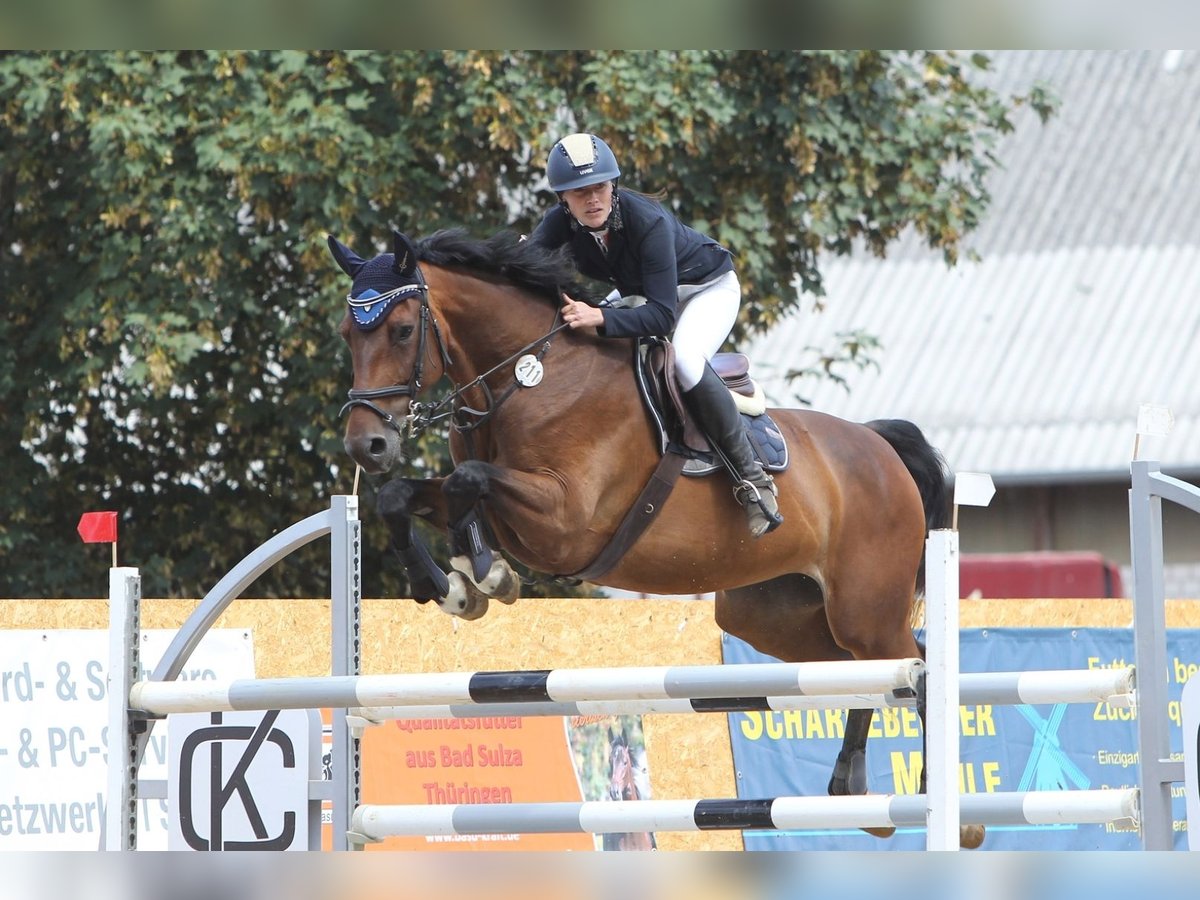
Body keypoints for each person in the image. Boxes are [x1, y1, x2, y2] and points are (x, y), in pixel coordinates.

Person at [528, 132, 782, 538]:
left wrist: (599, 317)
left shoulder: (649, 221)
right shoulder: (559, 223)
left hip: (704, 290)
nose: (592, 199)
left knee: (683, 359)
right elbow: (522, 264)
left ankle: (753, 482)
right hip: (642, 293)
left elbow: (663, 317)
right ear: (563, 199)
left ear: (613, 185)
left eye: (599, 187)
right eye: (579, 193)